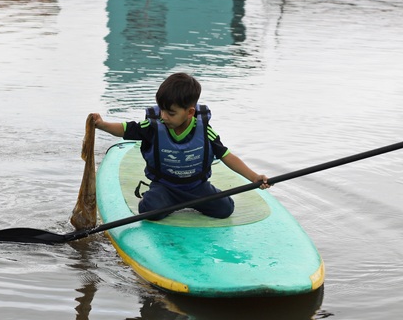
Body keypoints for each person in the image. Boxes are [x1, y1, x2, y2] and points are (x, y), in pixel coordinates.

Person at [91, 72, 270, 220]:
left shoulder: (205, 131)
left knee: (225, 209)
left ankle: (187, 203)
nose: (163, 116)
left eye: (171, 113)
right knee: (150, 211)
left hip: (197, 188)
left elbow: (227, 156)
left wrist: (254, 177)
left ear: (190, 112)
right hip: (165, 187)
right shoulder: (153, 127)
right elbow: (126, 129)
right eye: (161, 110)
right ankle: (155, 198)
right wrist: (102, 125)